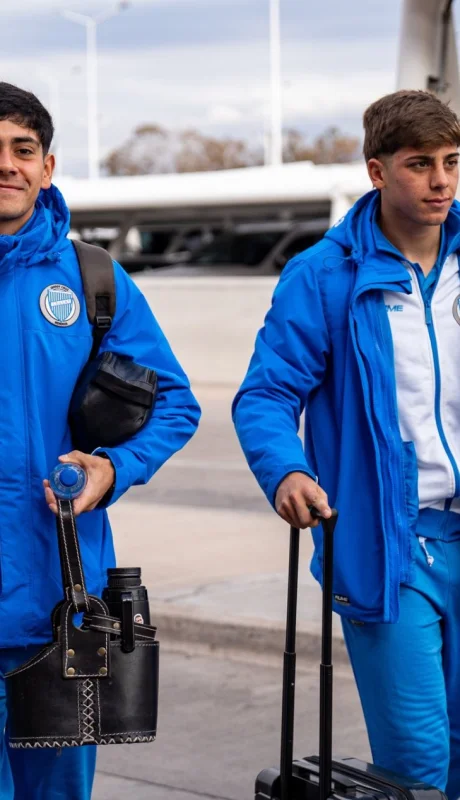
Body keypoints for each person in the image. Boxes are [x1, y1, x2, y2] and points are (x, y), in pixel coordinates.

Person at [233, 89, 460, 798]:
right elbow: (266, 396)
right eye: (419, 164)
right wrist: (287, 471)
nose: (441, 181)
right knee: (419, 761)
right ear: (376, 170)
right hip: (389, 546)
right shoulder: (324, 277)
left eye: (453, 162)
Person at [0, 82, 200, 799]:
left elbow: (176, 401)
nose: (8, 165)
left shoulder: (93, 280)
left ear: (47, 167)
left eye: (23, 150)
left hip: (62, 614)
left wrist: (114, 469)